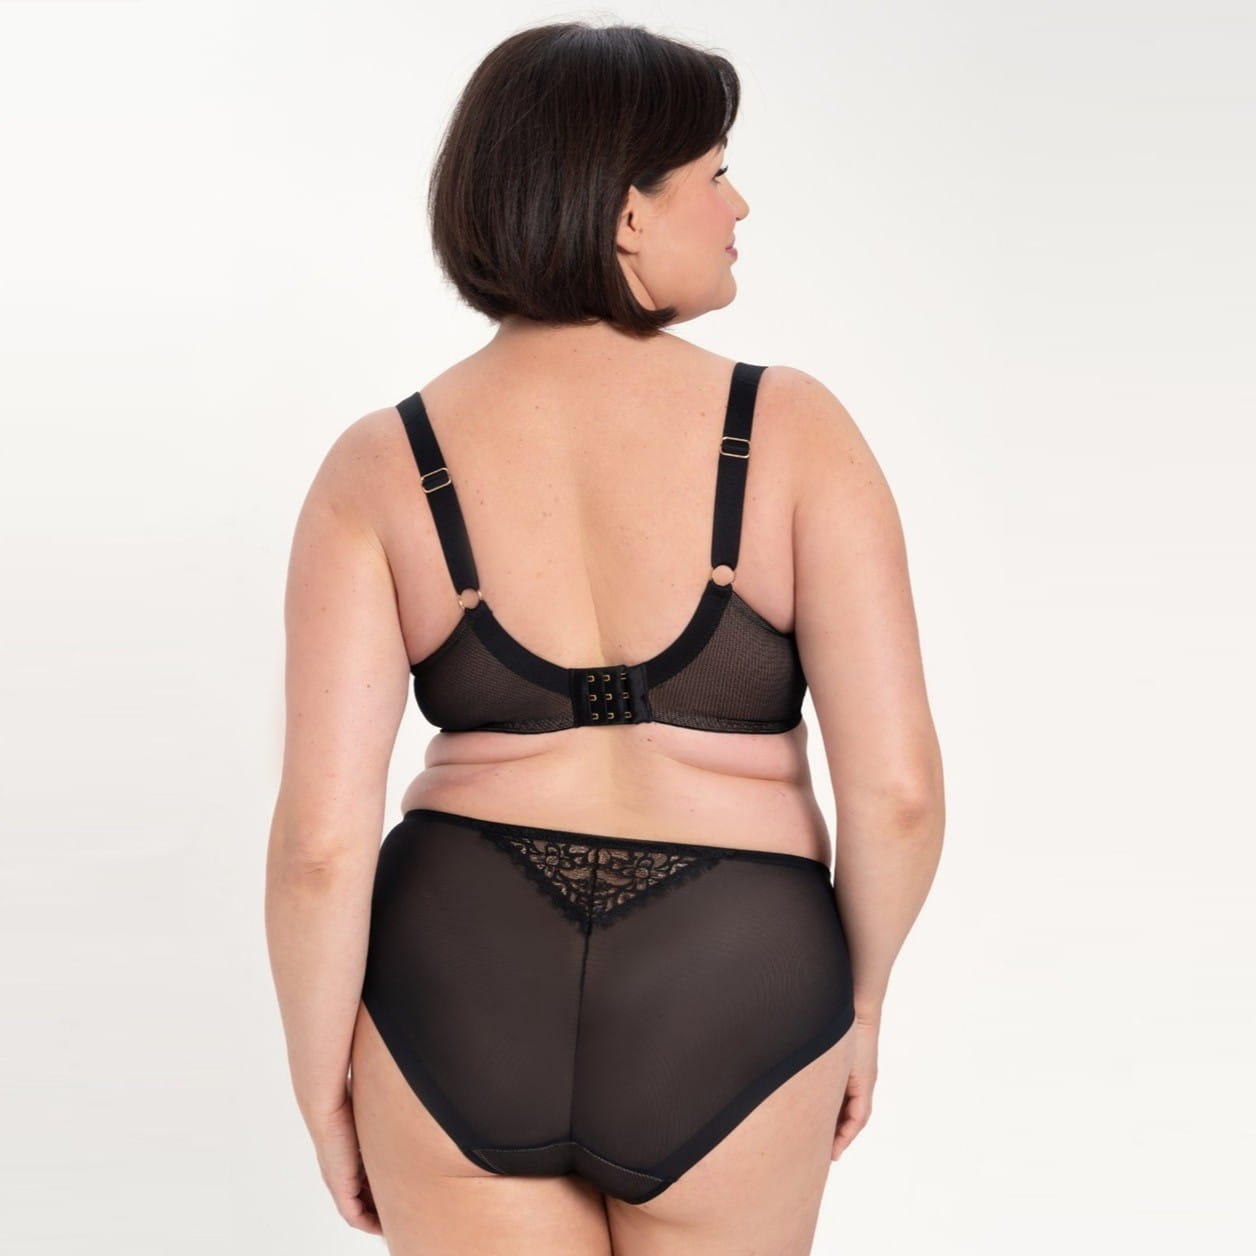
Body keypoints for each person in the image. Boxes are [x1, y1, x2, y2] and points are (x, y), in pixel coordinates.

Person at [265, 18, 944, 1256]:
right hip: (734, 979)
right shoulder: (791, 431)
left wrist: (323, 1087)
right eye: (714, 173)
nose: (738, 205)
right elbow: (894, 793)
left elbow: (320, 844)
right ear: (628, 213)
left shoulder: (379, 465)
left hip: (456, 976)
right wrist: (856, 1001)